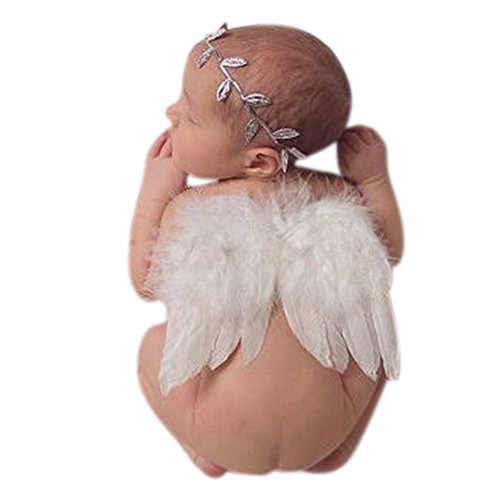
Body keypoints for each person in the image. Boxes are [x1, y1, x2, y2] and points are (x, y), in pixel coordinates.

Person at [129, 23, 404, 477]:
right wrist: (373, 179)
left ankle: (200, 450)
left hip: (216, 428)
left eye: (190, 115)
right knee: (371, 352)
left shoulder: (191, 210)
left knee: (151, 348)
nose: (171, 112)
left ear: (258, 161)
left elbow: (145, 281)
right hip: (324, 429)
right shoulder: (339, 199)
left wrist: (155, 189)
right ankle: (337, 451)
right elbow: (387, 252)